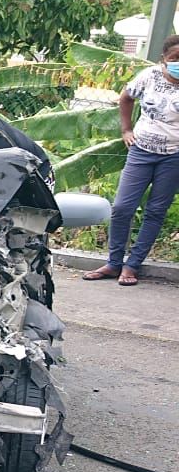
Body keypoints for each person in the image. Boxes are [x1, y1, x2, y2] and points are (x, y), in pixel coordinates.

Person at [84, 35, 179, 287]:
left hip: (173, 157)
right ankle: (114, 262)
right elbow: (126, 97)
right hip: (141, 151)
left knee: (155, 211)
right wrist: (126, 130)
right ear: (164, 59)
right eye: (175, 59)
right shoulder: (149, 76)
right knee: (122, 207)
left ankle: (132, 265)